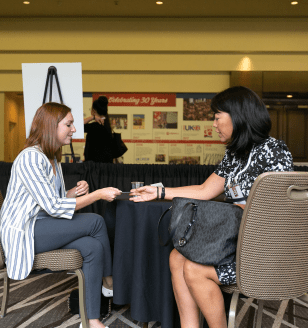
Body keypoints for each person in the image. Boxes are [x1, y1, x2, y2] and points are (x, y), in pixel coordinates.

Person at [130, 86, 294, 328]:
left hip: (261, 253)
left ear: (238, 116)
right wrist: (160, 191)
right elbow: (205, 190)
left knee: (195, 270)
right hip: (236, 244)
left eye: (217, 117)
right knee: (177, 257)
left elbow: (280, 212)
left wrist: (243, 209)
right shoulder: (235, 155)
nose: (214, 124)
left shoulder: (274, 152)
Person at [0, 102, 122, 328]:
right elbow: (54, 208)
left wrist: (72, 193)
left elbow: (50, 201)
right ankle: (110, 282)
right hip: (25, 231)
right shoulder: (31, 158)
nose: (75, 129)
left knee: (92, 247)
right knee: (96, 221)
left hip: (42, 225)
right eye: (69, 124)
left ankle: (91, 319)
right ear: (50, 126)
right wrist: (96, 195)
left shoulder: (52, 159)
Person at [84, 96, 114, 163]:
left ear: (93, 111)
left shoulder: (95, 126)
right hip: (106, 165)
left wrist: (92, 117)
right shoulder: (107, 125)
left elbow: (78, 125)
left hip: (95, 167)